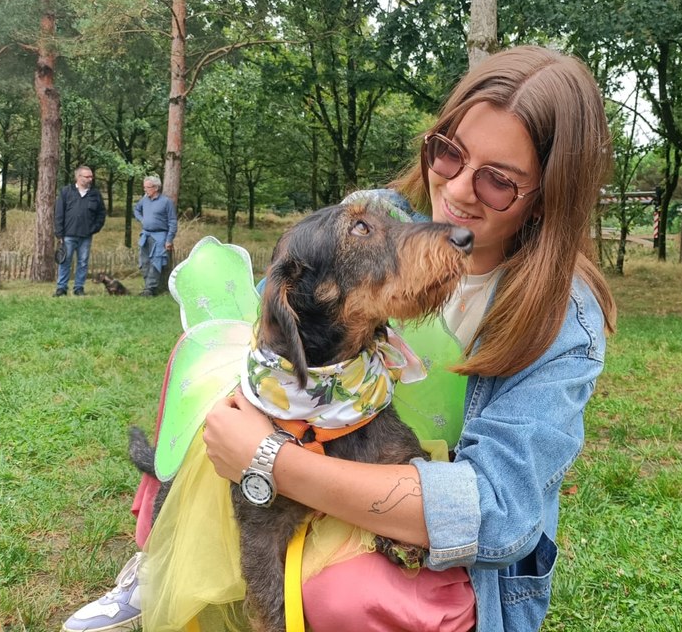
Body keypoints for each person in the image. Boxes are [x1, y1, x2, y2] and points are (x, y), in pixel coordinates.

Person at [62, 45, 616, 632]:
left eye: (499, 181)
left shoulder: (565, 321)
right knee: (198, 361)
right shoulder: (380, 214)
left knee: (345, 594)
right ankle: (157, 559)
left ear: (545, 200)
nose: (454, 190)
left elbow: (496, 514)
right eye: (449, 152)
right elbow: (281, 305)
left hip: (432, 536)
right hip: (327, 446)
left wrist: (268, 460)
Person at [54, 165, 106, 297]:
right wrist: (59, 233)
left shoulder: (95, 194)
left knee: (83, 262)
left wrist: (94, 228)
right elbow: (59, 213)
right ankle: (61, 288)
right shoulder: (66, 191)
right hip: (68, 234)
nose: (90, 179)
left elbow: (101, 213)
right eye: (87, 176)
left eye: (91, 176)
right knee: (65, 261)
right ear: (78, 177)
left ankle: (79, 288)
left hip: (86, 235)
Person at [133, 175, 177, 297]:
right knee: (144, 261)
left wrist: (169, 240)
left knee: (156, 262)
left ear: (156, 188)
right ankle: (147, 287)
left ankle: (150, 289)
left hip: (160, 236)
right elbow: (136, 209)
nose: (145, 190)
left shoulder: (166, 202)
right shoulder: (144, 199)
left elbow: (172, 222)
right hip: (145, 234)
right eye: (144, 187)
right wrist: (142, 219)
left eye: (148, 187)